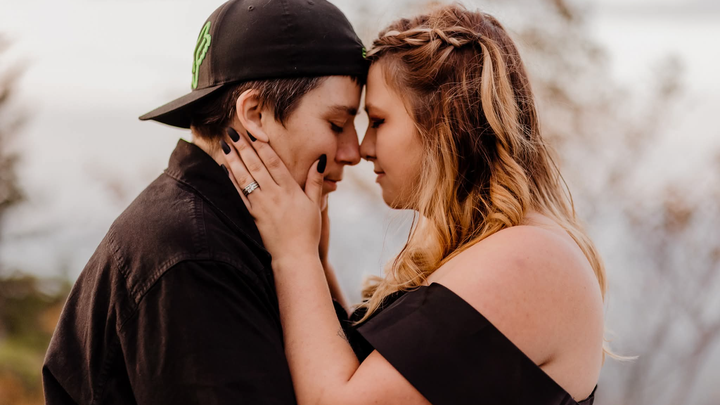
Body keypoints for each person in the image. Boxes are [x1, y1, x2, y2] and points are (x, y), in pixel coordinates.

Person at [220, 4, 606, 405]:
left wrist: (294, 255)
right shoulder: (495, 248)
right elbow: (368, 372)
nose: (363, 148)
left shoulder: (528, 258)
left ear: (443, 122)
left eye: (378, 121)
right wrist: (317, 262)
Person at [41, 0, 367, 403]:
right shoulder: (196, 258)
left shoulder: (237, 232)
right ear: (255, 114)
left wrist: (313, 262)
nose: (354, 151)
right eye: (337, 123)